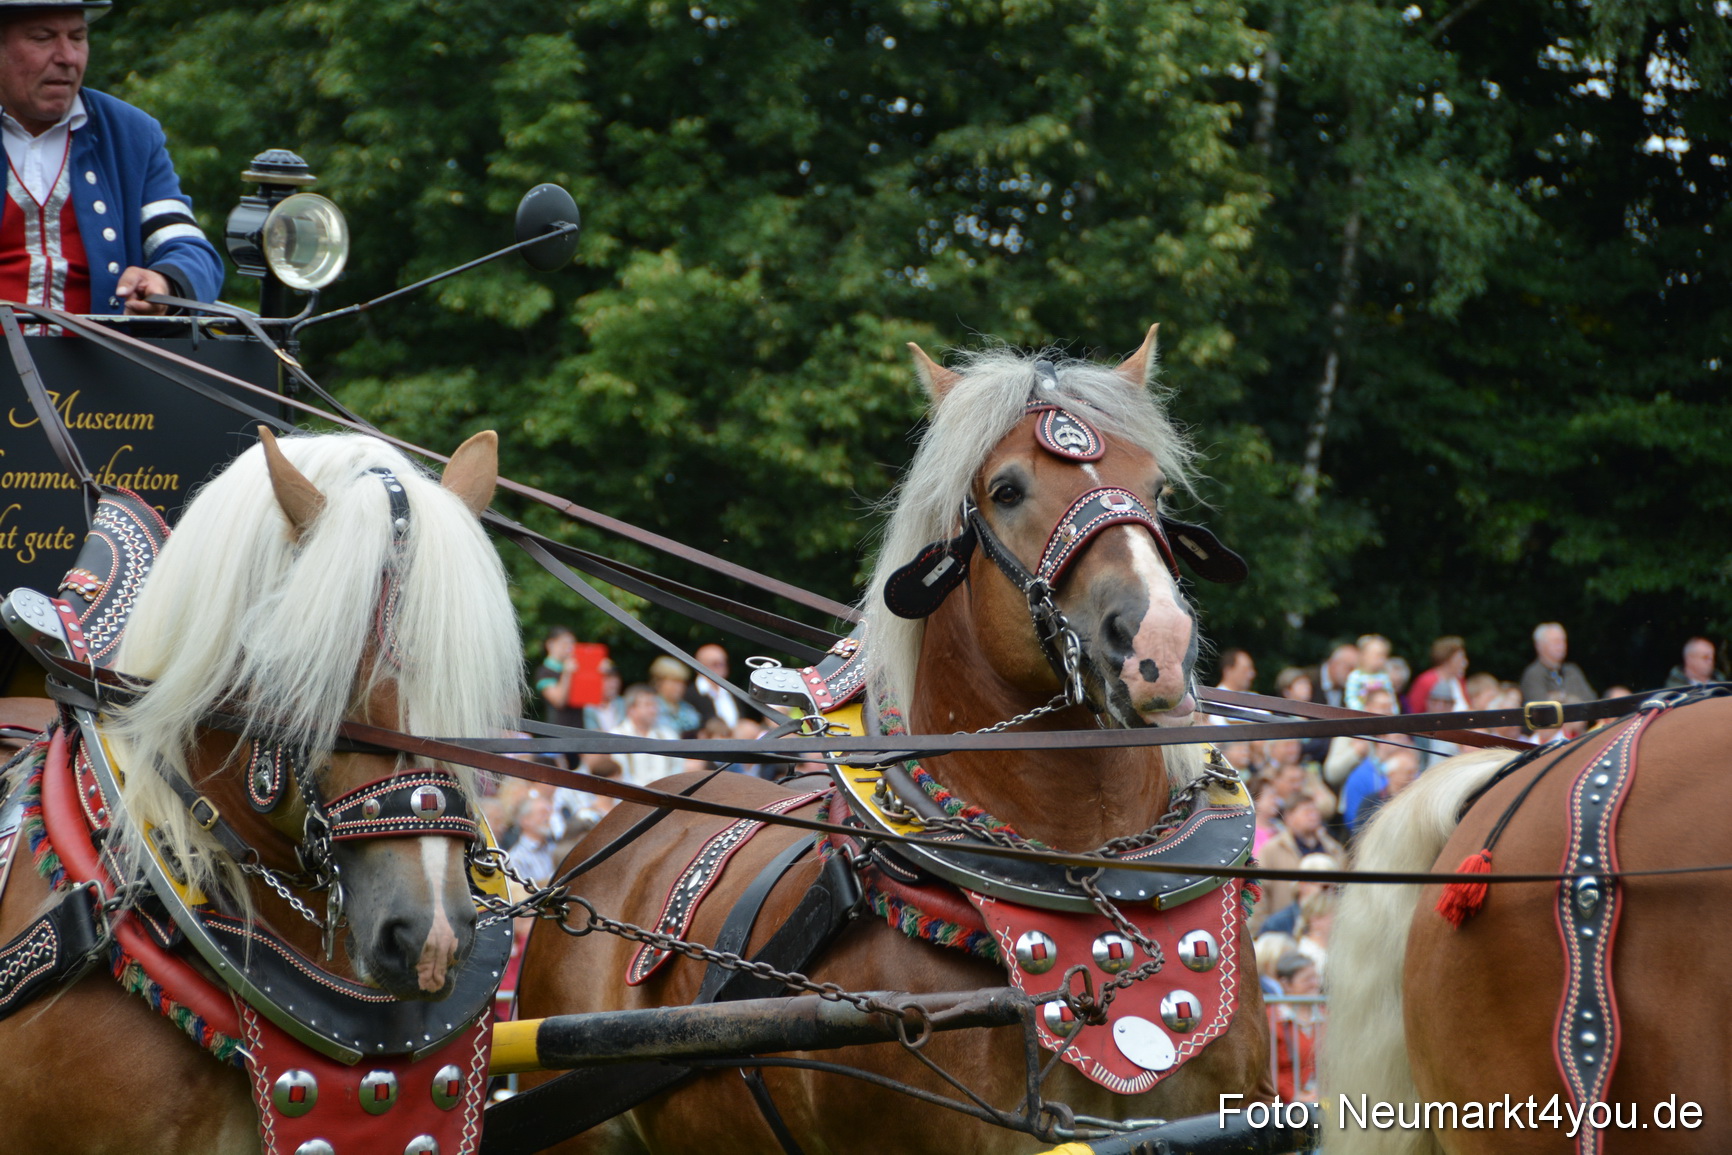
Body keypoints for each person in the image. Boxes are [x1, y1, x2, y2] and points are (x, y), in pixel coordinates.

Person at [0, 0, 221, 315]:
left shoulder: (132, 134)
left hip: (100, 363)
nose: (68, 57)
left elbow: (189, 249)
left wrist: (164, 282)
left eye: (77, 37)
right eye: (42, 38)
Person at [608, 683, 684, 787]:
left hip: (666, 796)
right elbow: (620, 774)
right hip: (630, 797)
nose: (653, 710)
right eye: (647, 705)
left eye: (655, 705)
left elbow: (677, 769)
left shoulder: (668, 734)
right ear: (631, 710)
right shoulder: (618, 735)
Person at [1520, 622, 1595, 709]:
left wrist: (1561, 697)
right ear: (1539, 646)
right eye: (1555, 641)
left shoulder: (1573, 671)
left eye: (1563, 641)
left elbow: (1592, 701)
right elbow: (1539, 709)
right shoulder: (1533, 674)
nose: (1561, 645)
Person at [531, 626, 585, 731]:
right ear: (550, 644)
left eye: (572, 643)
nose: (570, 648)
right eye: (565, 643)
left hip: (579, 732)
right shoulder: (544, 672)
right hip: (557, 734)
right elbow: (559, 701)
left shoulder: (574, 669)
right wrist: (567, 673)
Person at [648, 655, 702, 737]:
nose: (679, 687)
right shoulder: (649, 707)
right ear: (659, 682)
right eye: (674, 682)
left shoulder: (689, 710)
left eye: (682, 683)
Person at [1204, 647, 1256, 725]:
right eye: (1245, 670)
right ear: (1228, 671)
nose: (1251, 675)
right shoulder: (1213, 701)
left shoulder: (1255, 699)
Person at [1343, 634, 1394, 711]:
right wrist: (1361, 710)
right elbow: (1350, 698)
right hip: (1360, 716)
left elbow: (1391, 697)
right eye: (1377, 655)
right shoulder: (1355, 676)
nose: (1381, 659)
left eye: (1384, 656)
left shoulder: (1384, 677)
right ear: (1364, 655)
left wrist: (1394, 712)